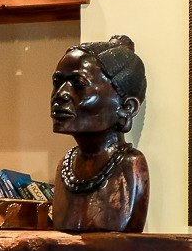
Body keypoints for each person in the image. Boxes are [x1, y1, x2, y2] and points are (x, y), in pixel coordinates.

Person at [50, 35, 149, 233]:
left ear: (127, 107)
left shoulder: (130, 166)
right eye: (57, 82)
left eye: (79, 84)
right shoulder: (65, 165)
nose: (61, 94)